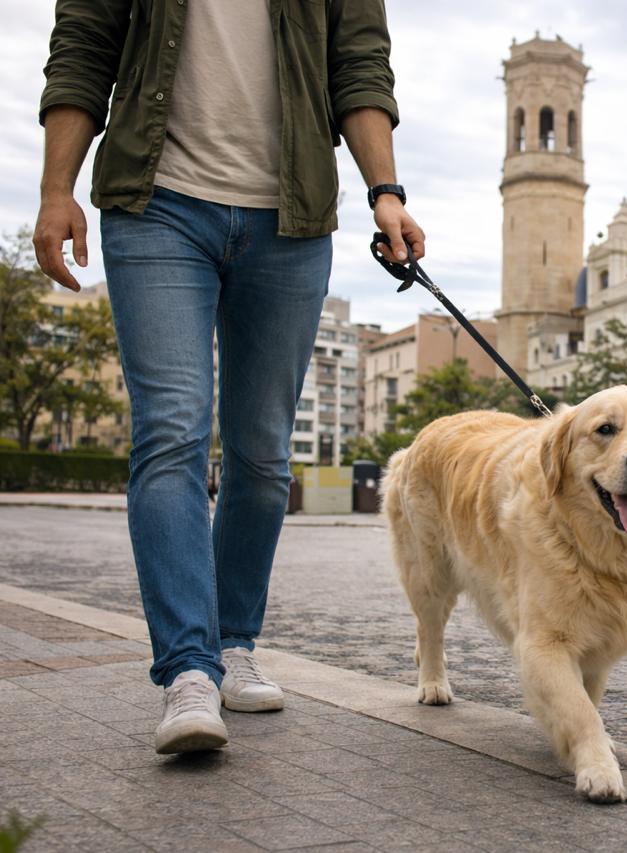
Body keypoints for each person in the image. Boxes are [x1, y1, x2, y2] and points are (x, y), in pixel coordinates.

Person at [34, 0, 424, 755]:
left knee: (262, 454)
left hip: (293, 219)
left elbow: (360, 65)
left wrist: (387, 191)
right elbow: (83, 45)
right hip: (156, 206)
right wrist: (58, 188)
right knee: (174, 427)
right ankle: (187, 667)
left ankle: (233, 640)